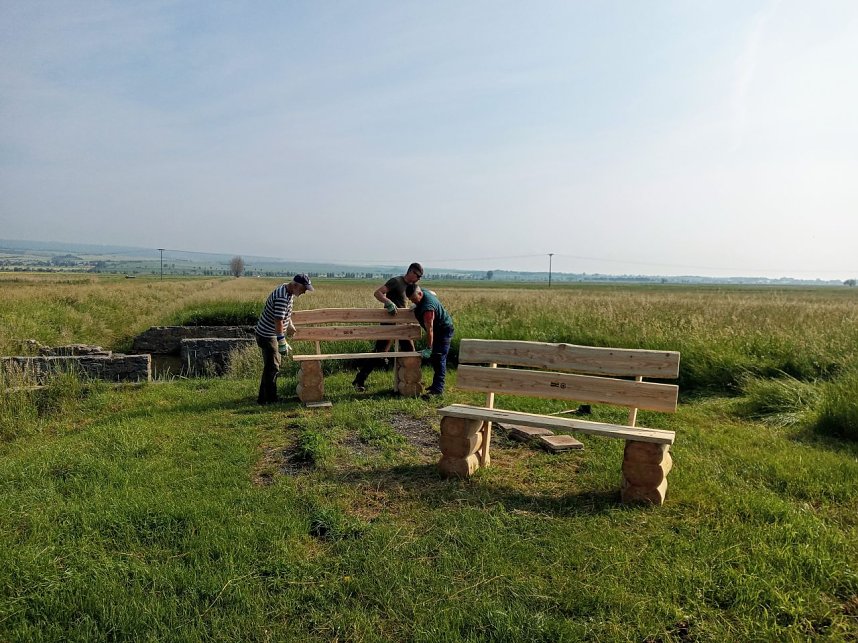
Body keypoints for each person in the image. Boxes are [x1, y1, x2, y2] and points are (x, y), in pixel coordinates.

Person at [352, 262, 424, 392]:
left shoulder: (412, 286)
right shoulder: (396, 281)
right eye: (418, 276)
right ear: (411, 272)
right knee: (379, 353)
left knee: (410, 351)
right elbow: (378, 293)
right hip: (389, 324)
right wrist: (388, 302)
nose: (419, 279)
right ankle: (359, 379)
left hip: (402, 326)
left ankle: (412, 381)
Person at [255, 273, 314, 405]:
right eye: (304, 289)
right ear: (295, 285)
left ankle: (265, 397)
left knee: (271, 366)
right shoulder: (282, 297)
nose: (304, 292)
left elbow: (284, 314)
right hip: (268, 335)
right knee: (273, 367)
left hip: (268, 333)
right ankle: (269, 399)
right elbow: (278, 321)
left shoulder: (287, 291)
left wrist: (290, 324)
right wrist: (282, 341)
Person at [406, 283, 454, 396]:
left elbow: (430, 330)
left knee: (439, 357)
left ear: (420, 294)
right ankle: (435, 386)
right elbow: (433, 293)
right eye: (410, 299)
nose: (413, 301)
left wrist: (429, 348)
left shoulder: (428, 309)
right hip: (437, 329)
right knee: (436, 358)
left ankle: (437, 390)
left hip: (443, 330)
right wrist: (417, 305)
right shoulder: (422, 292)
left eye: (414, 299)